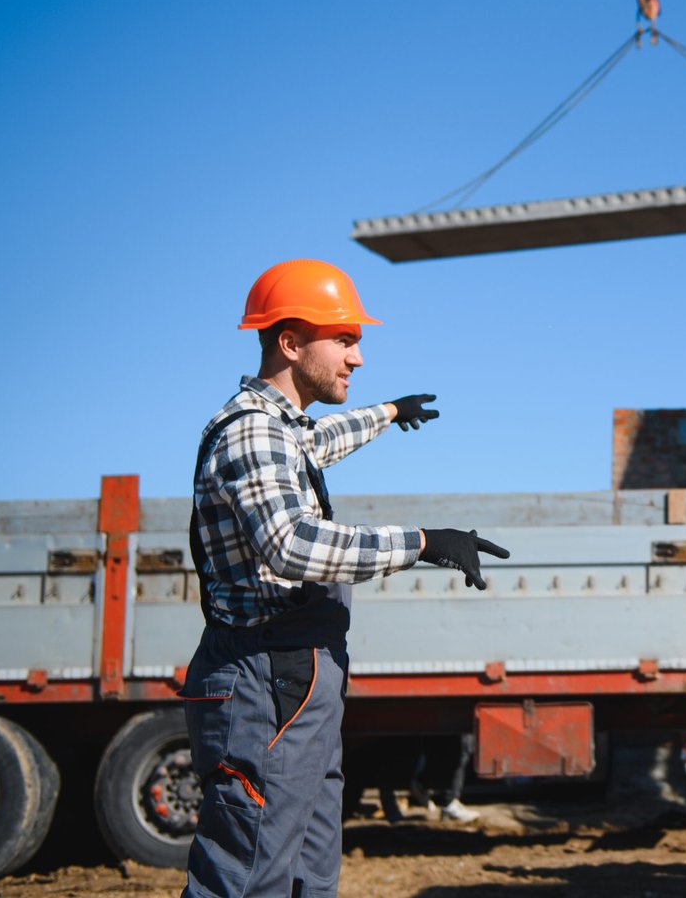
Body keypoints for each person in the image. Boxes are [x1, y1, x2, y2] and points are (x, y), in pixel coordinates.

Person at [181, 258, 509, 898]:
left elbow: (316, 443)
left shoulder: (281, 429)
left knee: (308, 872)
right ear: (291, 342)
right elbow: (291, 543)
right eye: (346, 340)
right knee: (249, 877)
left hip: (293, 674)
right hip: (264, 675)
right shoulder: (252, 431)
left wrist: (387, 413)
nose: (357, 358)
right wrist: (422, 543)